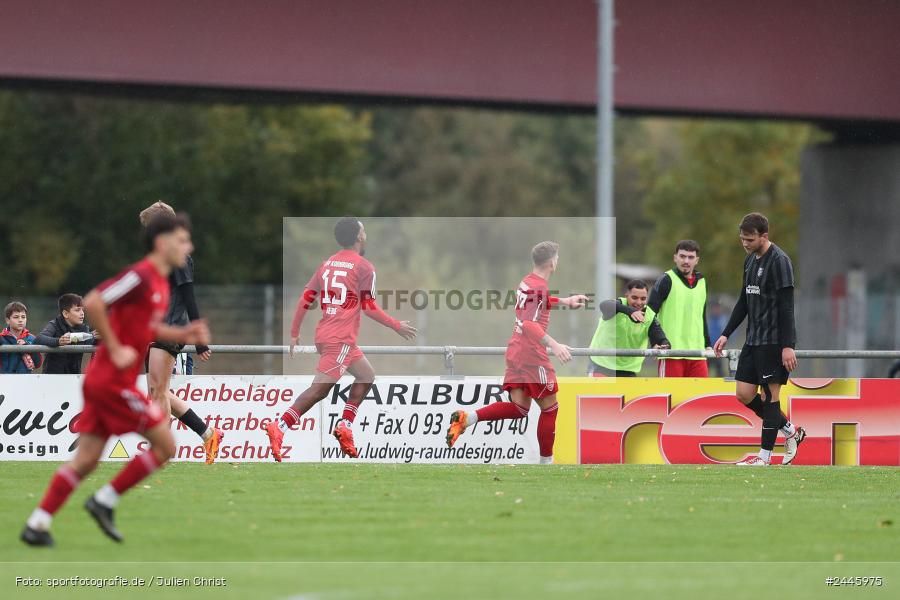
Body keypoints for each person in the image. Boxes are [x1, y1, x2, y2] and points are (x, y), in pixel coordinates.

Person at [21, 212, 211, 546]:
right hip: (111, 382)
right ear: (163, 243)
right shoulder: (140, 276)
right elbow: (94, 301)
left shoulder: (159, 285)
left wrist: (182, 332)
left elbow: (145, 328)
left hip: (106, 382)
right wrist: (112, 344)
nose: (189, 246)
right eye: (182, 239)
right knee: (166, 445)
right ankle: (104, 500)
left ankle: (37, 524)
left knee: (85, 460)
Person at [265, 217, 418, 461]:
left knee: (366, 376)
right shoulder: (364, 267)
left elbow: (305, 298)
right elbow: (368, 307)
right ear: (359, 237)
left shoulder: (326, 265)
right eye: (364, 230)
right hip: (340, 338)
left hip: (328, 334)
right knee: (319, 391)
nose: (365, 234)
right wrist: (396, 325)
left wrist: (295, 333)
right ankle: (280, 426)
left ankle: (344, 427)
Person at [445, 241, 588, 464]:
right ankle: (545, 464)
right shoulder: (539, 286)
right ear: (552, 262)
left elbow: (537, 304)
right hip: (532, 354)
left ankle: (468, 418)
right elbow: (529, 323)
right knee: (550, 408)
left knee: (520, 408)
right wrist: (555, 344)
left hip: (516, 350)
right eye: (557, 259)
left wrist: (565, 301)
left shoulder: (527, 282)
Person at [713, 212, 805, 465]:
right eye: (742, 238)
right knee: (743, 394)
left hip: (774, 341)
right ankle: (790, 431)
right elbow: (744, 301)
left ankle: (764, 457)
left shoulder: (780, 261)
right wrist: (725, 333)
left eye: (750, 239)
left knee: (769, 396)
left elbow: (787, 307)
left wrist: (788, 345)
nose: (745, 243)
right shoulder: (750, 260)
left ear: (764, 236)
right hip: (753, 340)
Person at [139, 202, 222, 465]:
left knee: (158, 391)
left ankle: (161, 452)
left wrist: (198, 337)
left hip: (170, 329)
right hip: (155, 329)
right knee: (158, 391)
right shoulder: (161, 256)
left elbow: (188, 296)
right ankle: (208, 433)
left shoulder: (180, 257)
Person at [648, 240, 711, 377]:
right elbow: (649, 314)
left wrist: (708, 343)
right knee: (672, 397)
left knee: (699, 397)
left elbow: (702, 316)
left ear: (697, 260)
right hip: (671, 354)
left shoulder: (702, 281)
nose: (686, 261)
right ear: (675, 258)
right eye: (682, 256)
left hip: (697, 355)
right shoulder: (666, 279)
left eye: (690, 257)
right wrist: (656, 341)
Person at [588, 279, 670, 377]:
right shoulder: (617, 305)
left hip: (627, 369)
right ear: (626, 296)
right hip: (601, 364)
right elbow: (604, 305)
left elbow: (661, 339)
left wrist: (662, 346)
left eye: (643, 299)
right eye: (634, 298)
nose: (639, 302)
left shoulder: (649, 315)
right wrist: (630, 311)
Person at [34, 294, 100, 374]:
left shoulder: (84, 328)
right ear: (65, 314)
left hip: (74, 376)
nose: (82, 313)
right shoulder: (55, 324)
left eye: (82, 310)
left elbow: (91, 343)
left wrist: (97, 338)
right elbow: (39, 338)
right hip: (52, 377)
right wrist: (58, 341)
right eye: (77, 310)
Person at [0, 301, 43, 373]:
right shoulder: (1, 338)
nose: (20, 320)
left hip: (25, 381)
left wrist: (28, 348)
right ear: (8, 320)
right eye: (16, 317)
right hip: (5, 380)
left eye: (23, 317)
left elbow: (38, 364)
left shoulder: (31, 338)